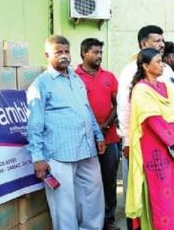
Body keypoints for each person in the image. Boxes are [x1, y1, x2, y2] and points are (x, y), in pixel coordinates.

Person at [27, 35, 106, 230]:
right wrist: (37, 157)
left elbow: (86, 109)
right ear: (47, 55)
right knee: (64, 205)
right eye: (58, 52)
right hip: (59, 153)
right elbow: (34, 124)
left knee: (93, 196)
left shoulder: (76, 77)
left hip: (87, 149)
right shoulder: (41, 84)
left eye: (66, 51)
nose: (64, 56)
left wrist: (98, 135)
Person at [117, 25, 174, 229]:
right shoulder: (129, 71)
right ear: (144, 44)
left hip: (168, 142)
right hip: (144, 141)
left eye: (162, 40)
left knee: (166, 192)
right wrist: (126, 140)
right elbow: (125, 109)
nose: (162, 44)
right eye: (157, 41)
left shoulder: (166, 69)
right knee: (139, 190)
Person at [126, 48, 174, 230]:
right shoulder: (141, 90)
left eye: (162, 60)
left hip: (172, 151)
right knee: (162, 196)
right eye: (157, 61)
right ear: (146, 66)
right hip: (155, 151)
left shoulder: (166, 87)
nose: (161, 64)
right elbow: (155, 122)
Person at [74, 38, 120, 230]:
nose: (99, 56)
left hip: (109, 139)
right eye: (95, 52)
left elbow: (118, 104)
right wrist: (93, 129)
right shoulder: (73, 77)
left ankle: (108, 219)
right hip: (82, 140)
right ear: (84, 53)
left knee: (109, 180)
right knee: (87, 184)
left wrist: (104, 127)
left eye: (100, 52)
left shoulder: (109, 76)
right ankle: (88, 220)